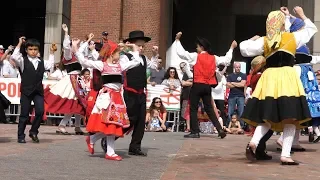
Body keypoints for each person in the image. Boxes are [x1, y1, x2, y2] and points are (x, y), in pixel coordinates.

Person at [240, 6, 317, 165]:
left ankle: (254, 142)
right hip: (287, 79)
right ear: (282, 24)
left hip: (269, 79)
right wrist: (302, 15)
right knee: (291, 119)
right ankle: (285, 155)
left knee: (266, 117)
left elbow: (244, 49)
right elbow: (311, 29)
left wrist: (252, 40)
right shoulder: (292, 38)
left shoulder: (265, 40)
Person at [74, 34, 133, 161]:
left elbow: (136, 62)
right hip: (108, 97)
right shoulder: (102, 65)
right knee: (111, 124)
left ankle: (93, 139)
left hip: (117, 97)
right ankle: (110, 152)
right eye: (118, 53)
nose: (120, 55)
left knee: (113, 124)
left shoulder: (120, 66)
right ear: (111, 54)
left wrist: (133, 49)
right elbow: (84, 61)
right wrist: (78, 48)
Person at [175, 31, 237, 139]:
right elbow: (226, 61)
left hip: (197, 84)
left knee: (193, 108)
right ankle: (220, 129)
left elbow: (182, 54)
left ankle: (195, 131)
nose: (196, 49)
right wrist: (231, 48)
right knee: (209, 109)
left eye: (197, 47)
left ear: (202, 47)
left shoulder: (196, 56)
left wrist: (177, 40)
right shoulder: (214, 58)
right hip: (207, 86)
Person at [11, 37, 54, 143]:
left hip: (38, 91)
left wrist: (52, 53)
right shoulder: (22, 61)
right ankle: (21, 136)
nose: (33, 51)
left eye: (35, 49)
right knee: (24, 115)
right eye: (30, 49)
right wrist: (20, 43)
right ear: (26, 50)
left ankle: (33, 131)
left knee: (40, 112)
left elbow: (51, 65)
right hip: (26, 91)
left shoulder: (42, 62)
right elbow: (14, 56)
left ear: (38, 50)